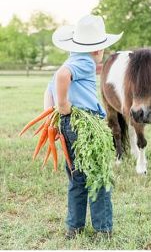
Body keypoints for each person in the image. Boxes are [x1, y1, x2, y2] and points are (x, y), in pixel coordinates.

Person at [47, 14, 122, 239]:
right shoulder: (85, 62)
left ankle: (74, 227)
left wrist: (55, 116)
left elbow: (49, 86)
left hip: (70, 124)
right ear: (97, 50)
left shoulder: (70, 60)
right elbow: (62, 77)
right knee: (98, 175)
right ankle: (103, 229)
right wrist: (63, 106)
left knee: (77, 176)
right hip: (85, 124)